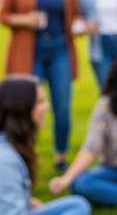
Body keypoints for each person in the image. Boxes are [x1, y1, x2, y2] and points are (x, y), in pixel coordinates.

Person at [0, 0, 83, 172]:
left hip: (59, 50)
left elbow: (75, 14)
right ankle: (23, 156)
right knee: (25, 107)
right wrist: (25, 19)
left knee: (62, 107)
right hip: (30, 51)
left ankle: (60, 156)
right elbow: (4, 15)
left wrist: (79, 25)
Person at [49, 53, 117, 207]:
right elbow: (91, 148)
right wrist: (66, 178)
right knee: (80, 183)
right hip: (114, 170)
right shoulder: (106, 105)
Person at [0, 75, 91, 215]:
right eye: (40, 101)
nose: (47, 106)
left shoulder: (12, 145)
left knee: (78, 204)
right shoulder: (5, 160)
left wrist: (25, 201)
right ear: (23, 108)